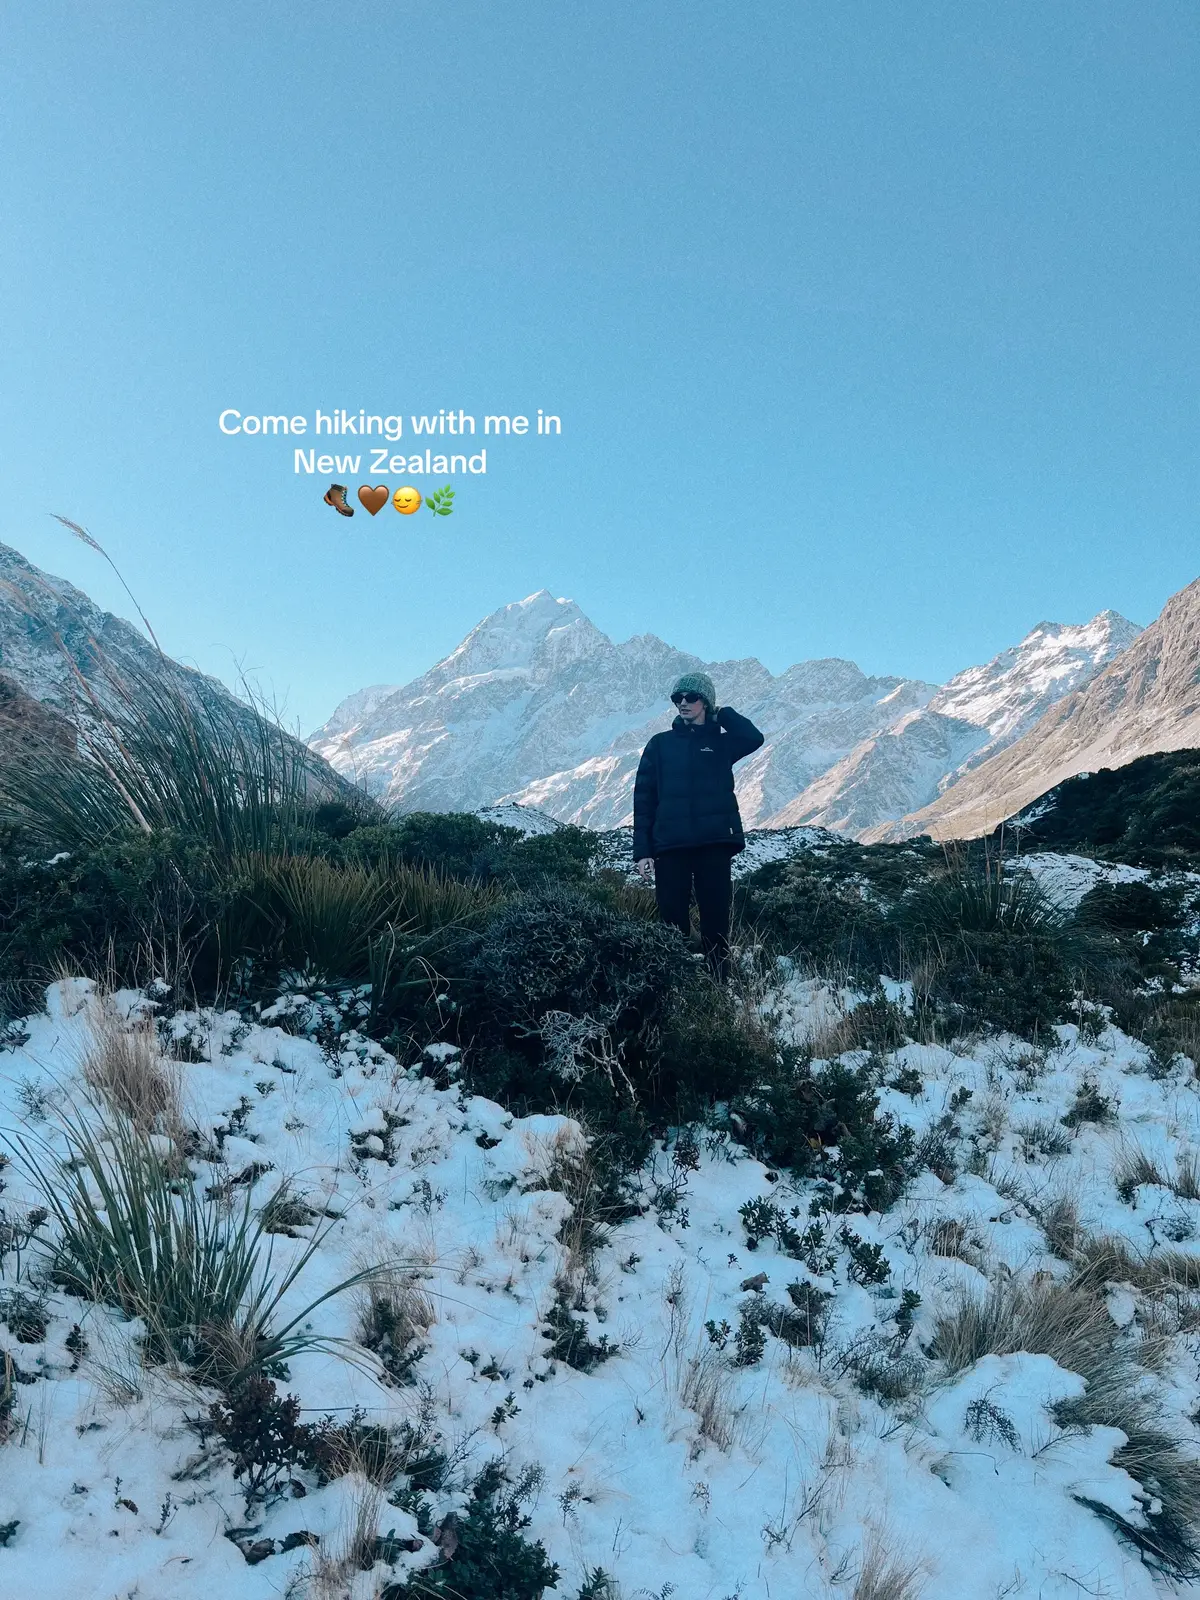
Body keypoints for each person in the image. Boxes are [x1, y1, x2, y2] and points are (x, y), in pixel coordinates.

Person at [632, 672, 764, 981]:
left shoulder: (722, 743)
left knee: (716, 921)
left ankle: (719, 986)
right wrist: (643, 851)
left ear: (705, 701)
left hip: (713, 843)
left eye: (691, 697)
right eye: (677, 698)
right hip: (671, 845)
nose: (682, 703)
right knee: (671, 918)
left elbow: (754, 737)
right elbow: (644, 799)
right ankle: (679, 984)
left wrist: (722, 714)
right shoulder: (660, 744)